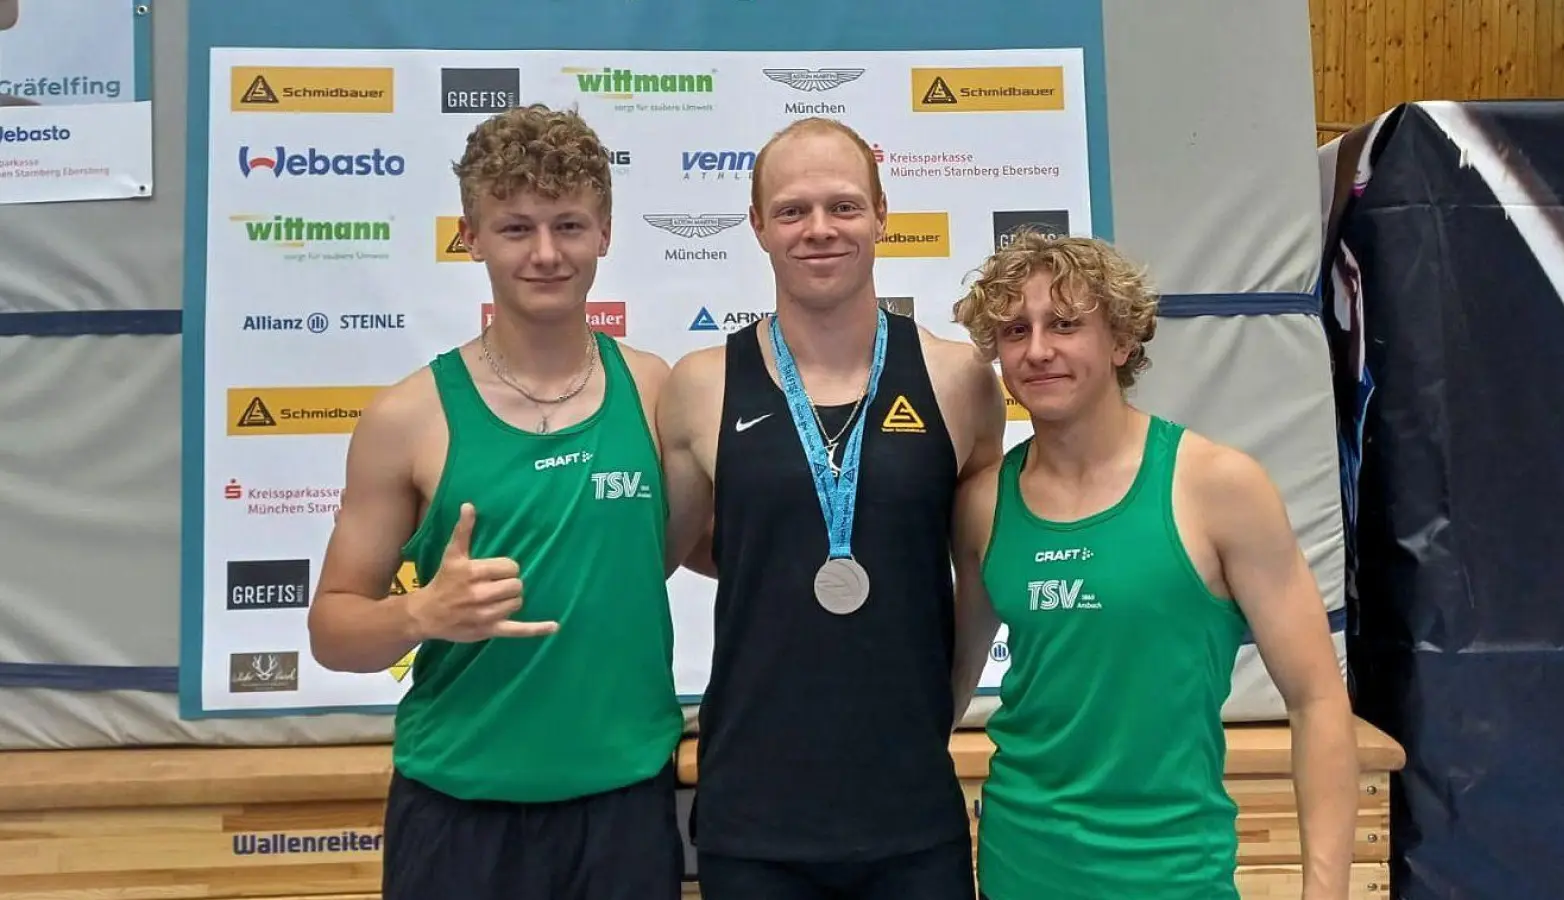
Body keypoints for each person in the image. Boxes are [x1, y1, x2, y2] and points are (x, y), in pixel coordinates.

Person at [306, 104, 684, 900]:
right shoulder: (407, 417)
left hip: (624, 803)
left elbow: (723, 548)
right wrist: (419, 616)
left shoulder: (658, 393)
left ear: (605, 232)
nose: (546, 253)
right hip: (458, 810)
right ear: (470, 236)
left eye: (569, 225)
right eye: (516, 228)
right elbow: (334, 630)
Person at [947, 231, 1361, 900]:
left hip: (1170, 874)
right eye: (1015, 330)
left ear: (1120, 341)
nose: (1038, 348)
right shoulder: (982, 504)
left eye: (1065, 324)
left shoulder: (1220, 487)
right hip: (1017, 867)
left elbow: (1317, 701)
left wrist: (1325, 891)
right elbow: (954, 678)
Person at [657, 116, 1007, 899]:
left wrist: (943, 707)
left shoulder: (961, 380)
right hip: (753, 815)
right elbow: (663, 554)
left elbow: (978, 570)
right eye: (792, 210)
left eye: (844, 207)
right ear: (757, 226)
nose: (820, 230)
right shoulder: (701, 384)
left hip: (911, 811)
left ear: (883, 213)